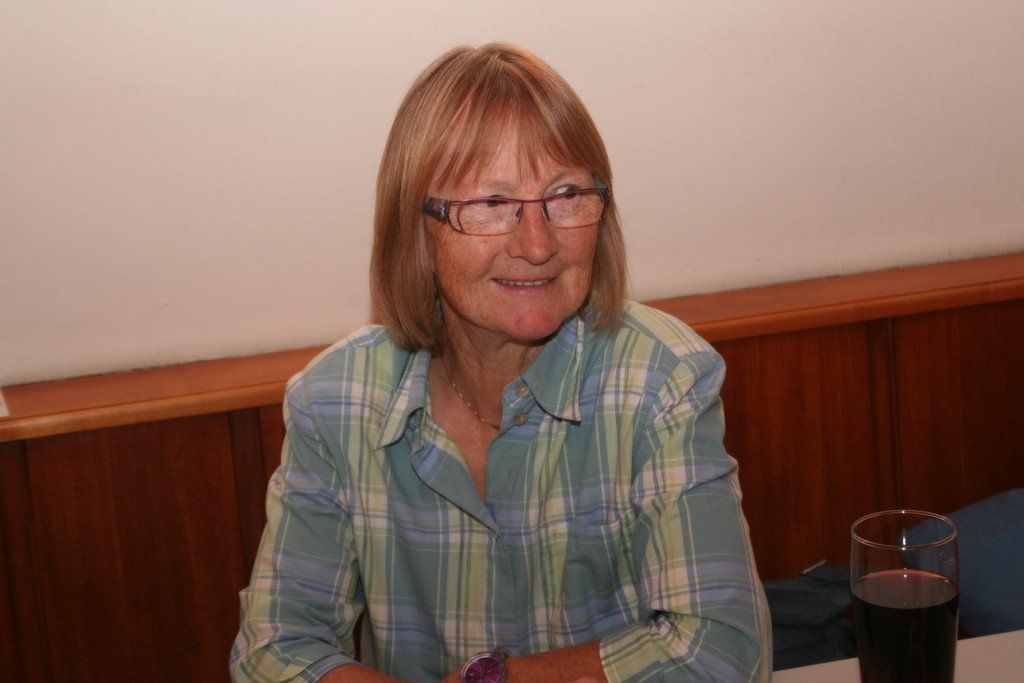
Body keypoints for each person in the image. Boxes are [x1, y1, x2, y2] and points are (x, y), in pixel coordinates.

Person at [231, 43, 771, 682]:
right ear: (417, 229)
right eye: (491, 203)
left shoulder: (663, 380)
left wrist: (493, 681)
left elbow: (722, 653)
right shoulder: (335, 400)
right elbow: (273, 653)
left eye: (565, 194)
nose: (537, 244)